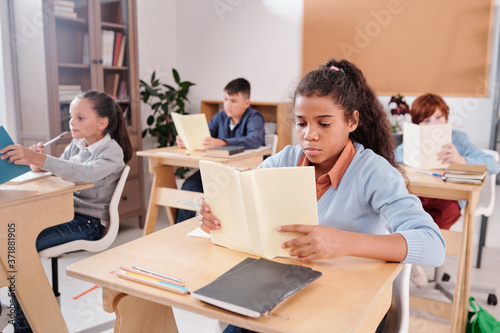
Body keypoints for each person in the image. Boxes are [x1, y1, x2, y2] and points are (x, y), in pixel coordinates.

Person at [198, 59, 446, 333]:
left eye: (324, 124)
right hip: (284, 293)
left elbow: (434, 245)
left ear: (352, 121)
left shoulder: (372, 172)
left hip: (350, 304)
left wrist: (344, 243)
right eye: (301, 123)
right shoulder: (288, 158)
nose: (309, 135)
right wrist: (216, 212)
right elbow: (245, 194)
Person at [0, 90, 132, 332]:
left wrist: (42, 161)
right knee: (8, 238)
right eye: (71, 117)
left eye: (80, 118)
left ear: (103, 123)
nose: (72, 122)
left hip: (88, 223)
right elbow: (62, 172)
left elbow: (83, 173)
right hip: (62, 214)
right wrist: (37, 163)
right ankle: (22, 305)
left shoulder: (112, 152)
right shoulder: (76, 144)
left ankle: (26, 322)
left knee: (18, 247)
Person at [394, 93, 500, 230]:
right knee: (406, 212)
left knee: (440, 219)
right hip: (420, 193)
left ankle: (430, 246)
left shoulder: (459, 139)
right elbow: (393, 157)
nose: (434, 124)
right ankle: (415, 245)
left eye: (439, 117)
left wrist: (461, 160)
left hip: (449, 197)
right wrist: (412, 149)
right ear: (418, 124)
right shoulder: (413, 139)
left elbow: (494, 165)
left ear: (446, 118)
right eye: (426, 120)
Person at [176, 78, 265, 223]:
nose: (228, 104)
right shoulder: (220, 117)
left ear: (246, 103)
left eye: (233, 101)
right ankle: (180, 230)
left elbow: (254, 139)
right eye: (226, 99)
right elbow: (204, 135)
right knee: (189, 186)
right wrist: (185, 139)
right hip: (218, 171)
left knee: (224, 195)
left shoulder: (254, 117)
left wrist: (223, 141)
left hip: (242, 173)